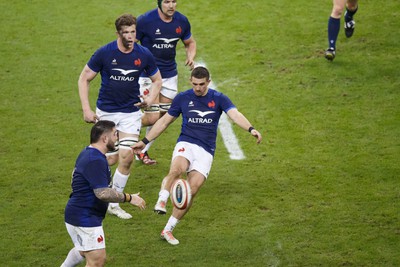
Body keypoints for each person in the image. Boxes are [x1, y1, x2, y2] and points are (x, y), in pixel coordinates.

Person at [131, 66, 262, 245]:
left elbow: (235, 114)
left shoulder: (218, 98)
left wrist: (251, 129)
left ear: (208, 81)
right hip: (186, 142)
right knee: (177, 169)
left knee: (191, 191)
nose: (198, 88)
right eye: (195, 84)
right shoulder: (183, 98)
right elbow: (164, 122)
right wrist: (145, 142)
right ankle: (162, 199)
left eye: (201, 84)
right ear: (190, 82)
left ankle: (168, 229)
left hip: (206, 151)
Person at [78, 14, 162, 219]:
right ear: (118, 33)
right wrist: (87, 109)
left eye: (133, 31)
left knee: (126, 156)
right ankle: (81, 176)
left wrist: (150, 99)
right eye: (126, 32)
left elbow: (157, 79)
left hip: (130, 113)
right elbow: (84, 78)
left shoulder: (143, 54)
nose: (131, 36)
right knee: (108, 158)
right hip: (106, 111)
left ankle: (113, 204)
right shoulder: (105, 53)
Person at [61, 120, 146, 267]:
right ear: (105, 138)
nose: (117, 138)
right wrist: (129, 198)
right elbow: (102, 193)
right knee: (96, 261)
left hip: (78, 214)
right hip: (85, 218)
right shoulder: (95, 160)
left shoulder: (90, 153)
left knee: (83, 250)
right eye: (114, 134)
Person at [135, 0, 197, 165]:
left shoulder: (181, 21)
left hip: (169, 75)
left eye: (174, 1)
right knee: (152, 117)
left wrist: (190, 56)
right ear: (159, 3)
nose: (171, 5)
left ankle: (142, 151)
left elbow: (190, 42)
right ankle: (118, 130)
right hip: (148, 76)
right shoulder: (145, 21)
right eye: (167, 2)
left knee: (164, 117)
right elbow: (129, 43)